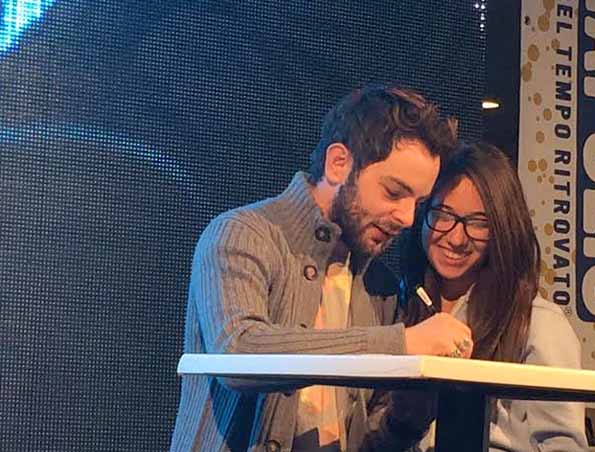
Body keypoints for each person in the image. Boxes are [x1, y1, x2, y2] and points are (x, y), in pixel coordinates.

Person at [170, 85, 469, 452]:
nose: (407, 218)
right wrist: (401, 343)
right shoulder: (242, 234)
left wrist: (406, 418)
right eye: (393, 193)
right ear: (338, 163)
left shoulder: (380, 285)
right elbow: (237, 350)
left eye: (417, 203)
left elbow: (369, 439)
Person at [398, 142, 589, 451]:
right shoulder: (397, 303)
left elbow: (563, 445)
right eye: (443, 215)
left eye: (478, 223)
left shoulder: (538, 322)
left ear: (502, 229)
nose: (456, 238)